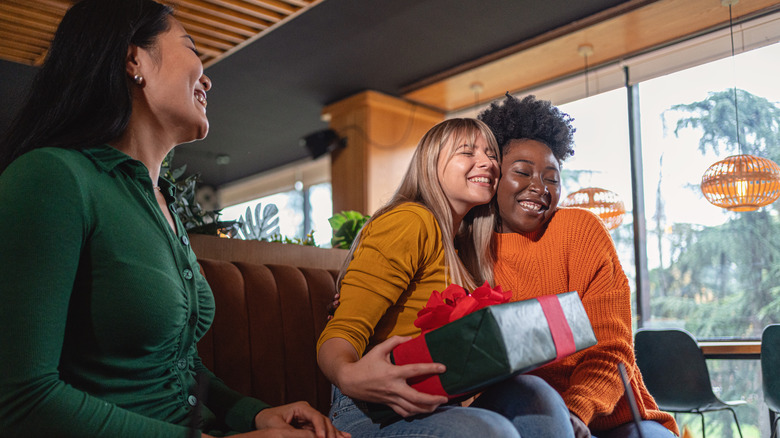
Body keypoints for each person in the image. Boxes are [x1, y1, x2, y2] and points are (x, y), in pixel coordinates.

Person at [0, 1, 347, 437]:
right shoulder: (52, 177)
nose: (207, 77)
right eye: (190, 47)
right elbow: (21, 401)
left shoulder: (159, 204)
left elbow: (178, 367)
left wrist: (253, 414)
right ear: (134, 60)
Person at [316, 117, 575, 437]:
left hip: (438, 407)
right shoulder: (411, 220)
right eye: (467, 152)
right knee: (490, 430)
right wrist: (348, 374)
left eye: (491, 155)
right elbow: (341, 332)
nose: (488, 163)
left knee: (536, 395)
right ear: (430, 164)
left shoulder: (467, 247)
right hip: (371, 413)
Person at [478, 94, 679, 438]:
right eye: (523, 172)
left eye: (552, 178)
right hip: (522, 419)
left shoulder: (580, 231)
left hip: (616, 419)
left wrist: (577, 410)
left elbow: (613, 348)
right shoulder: (467, 250)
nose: (539, 187)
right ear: (494, 177)